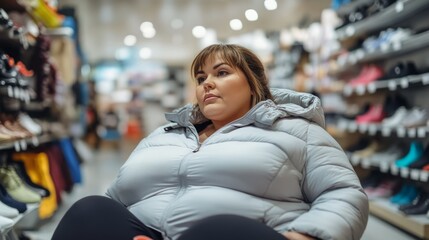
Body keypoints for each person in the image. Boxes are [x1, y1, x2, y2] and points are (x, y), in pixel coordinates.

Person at [52, 44, 368, 240]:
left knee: (218, 231)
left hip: (240, 233)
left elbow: (342, 193)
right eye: (201, 78)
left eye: (222, 72)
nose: (208, 84)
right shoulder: (163, 135)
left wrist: (307, 236)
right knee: (89, 210)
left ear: (253, 83)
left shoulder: (297, 131)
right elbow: (117, 200)